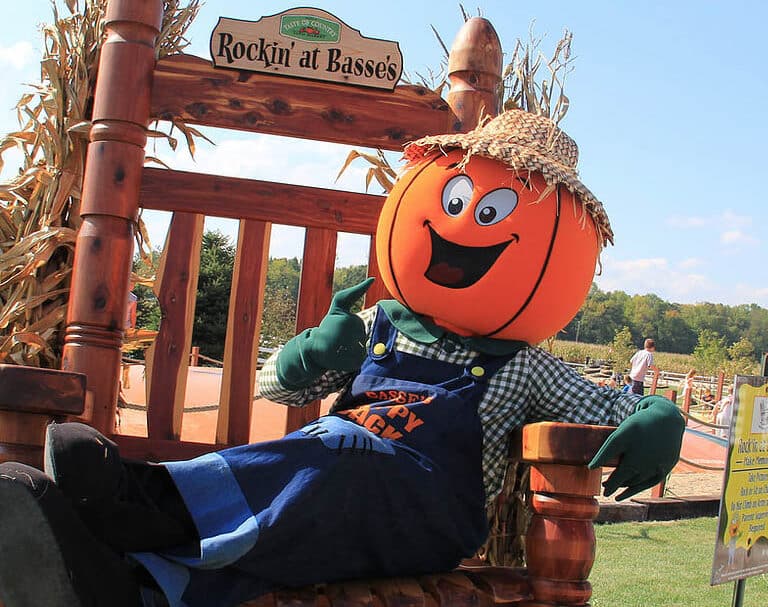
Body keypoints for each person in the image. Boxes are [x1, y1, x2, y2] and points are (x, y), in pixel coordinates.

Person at [0, 110, 685, 607]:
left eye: (493, 210)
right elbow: (276, 380)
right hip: (326, 488)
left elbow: (612, 405)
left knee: (336, 452)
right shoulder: (375, 323)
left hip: (426, 515)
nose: (458, 223)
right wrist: (312, 352)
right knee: (304, 506)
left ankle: (142, 499)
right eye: (455, 197)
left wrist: (656, 415)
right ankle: (133, 585)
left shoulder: (522, 365)